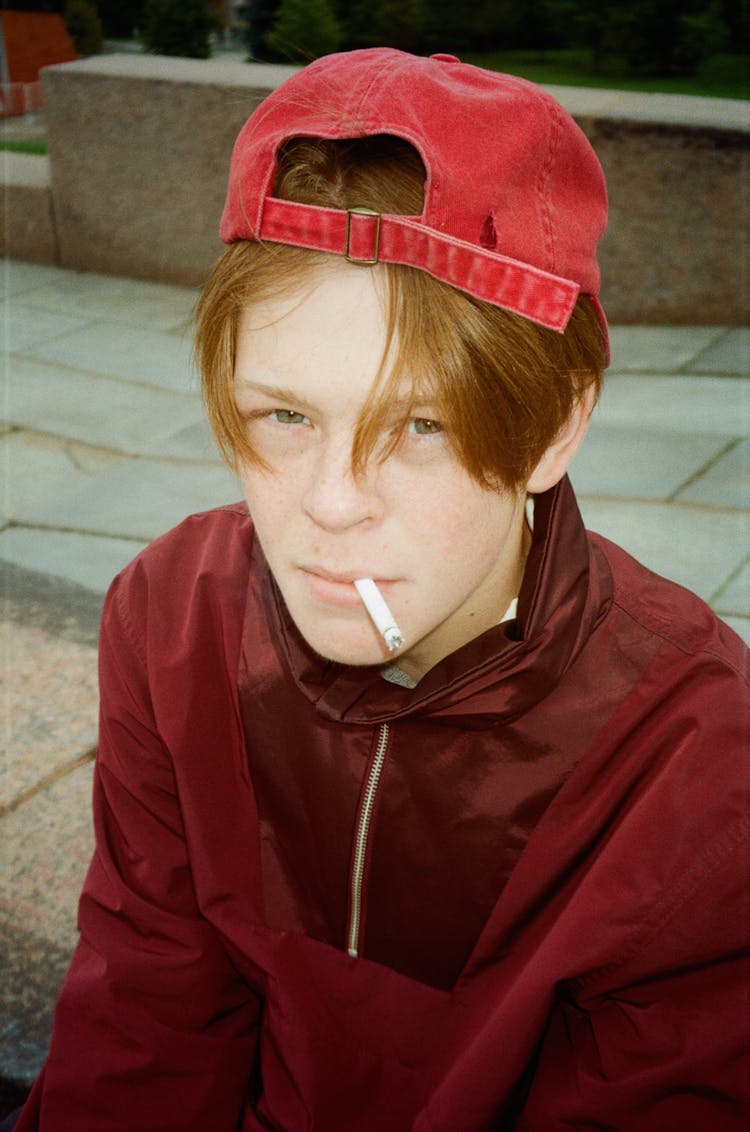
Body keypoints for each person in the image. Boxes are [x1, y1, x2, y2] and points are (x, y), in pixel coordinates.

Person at [12, 48, 749, 1132]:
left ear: (554, 424)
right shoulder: (173, 619)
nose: (331, 505)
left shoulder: (693, 759)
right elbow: (145, 1023)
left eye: (420, 425)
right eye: (285, 416)